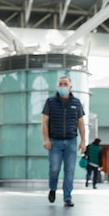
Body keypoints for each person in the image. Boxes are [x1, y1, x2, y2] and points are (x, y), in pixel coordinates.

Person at [42, 76, 86, 207]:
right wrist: (46, 139)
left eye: (65, 84)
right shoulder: (50, 102)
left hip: (71, 141)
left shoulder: (76, 103)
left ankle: (67, 197)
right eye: (60, 84)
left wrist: (83, 141)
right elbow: (44, 123)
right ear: (57, 86)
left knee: (70, 170)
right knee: (54, 169)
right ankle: (53, 189)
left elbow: (81, 123)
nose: (62, 86)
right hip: (54, 142)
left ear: (70, 87)